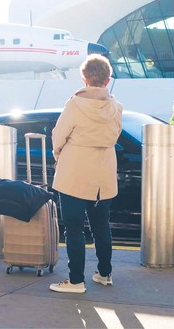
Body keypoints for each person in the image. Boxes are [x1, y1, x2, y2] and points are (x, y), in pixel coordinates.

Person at [49, 55, 123, 293]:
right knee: (101, 224)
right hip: (104, 171)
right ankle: (104, 273)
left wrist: (59, 153)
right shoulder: (116, 107)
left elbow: (58, 135)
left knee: (74, 227)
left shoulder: (75, 104)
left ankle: (76, 280)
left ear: (84, 78)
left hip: (75, 170)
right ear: (108, 79)